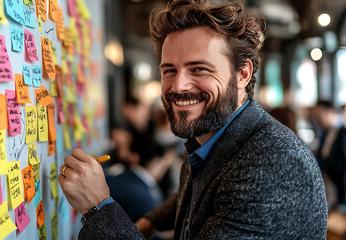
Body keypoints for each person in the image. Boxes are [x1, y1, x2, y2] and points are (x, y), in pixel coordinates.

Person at [58, 0, 327, 239]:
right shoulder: (210, 136)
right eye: (170, 70)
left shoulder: (271, 163)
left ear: (242, 74)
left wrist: (97, 207)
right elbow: (196, 194)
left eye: (199, 69)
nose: (178, 86)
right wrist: (150, 221)